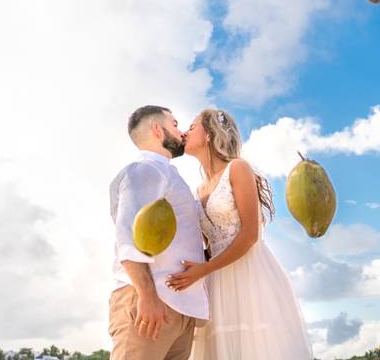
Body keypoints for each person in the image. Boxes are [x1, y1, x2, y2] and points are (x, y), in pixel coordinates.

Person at [167, 108, 313, 359]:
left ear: (210, 134)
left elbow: (250, 235)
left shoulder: (238, 169)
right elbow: (208, 245)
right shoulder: (198, 189)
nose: (185, 133)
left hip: (250, 273)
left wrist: (203, 270)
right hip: (215, 281)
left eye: (192, 127)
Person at [108, 105, 209, 359]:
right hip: (152, 304)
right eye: (174, 124)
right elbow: (127, 238)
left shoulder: (166, 173)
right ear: (157, 129)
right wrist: (147, 296)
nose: (181, 131)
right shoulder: (145, 170)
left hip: (179, 309)